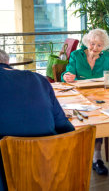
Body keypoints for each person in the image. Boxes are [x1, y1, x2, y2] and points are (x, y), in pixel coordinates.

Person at [0, 49, 74, 191]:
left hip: (7, 174)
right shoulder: (38, 79)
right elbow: (64, 126)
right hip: (48, 170)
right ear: (8, 63)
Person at [62, 28, 109, 176]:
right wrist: (67, 76)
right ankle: (76, 155)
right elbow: (66, 73)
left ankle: (96, 158)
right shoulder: (76, 55)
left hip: (102, 96)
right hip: (79, 97)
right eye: (92, 43)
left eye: (99, 45)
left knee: (99, 118)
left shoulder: (108, 57)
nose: (95, 48)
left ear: (104, 47)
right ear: (87, 42)